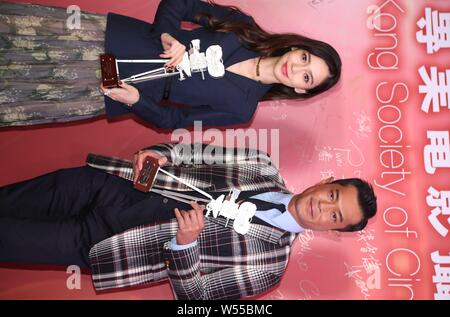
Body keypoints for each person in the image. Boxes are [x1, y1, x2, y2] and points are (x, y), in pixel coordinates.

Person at [0, 143, 377, 300]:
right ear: (327, 182)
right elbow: (192, 151)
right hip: (111, 185)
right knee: (9, 199)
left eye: (335, 215)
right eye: (332, 196)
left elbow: (194, 297)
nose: (323, 207)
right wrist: (161, 153)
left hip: (107, 244)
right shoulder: (262, 165)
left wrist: (187, 244)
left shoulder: (270, 267)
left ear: (335, 231)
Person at [0, 0, 341, 128]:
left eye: (307, 77)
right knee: (16, 33)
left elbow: (174, 119)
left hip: (117, 90)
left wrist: (136, 102)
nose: (297, 68)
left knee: (18, 92)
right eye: (305, 58)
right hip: (112, 38)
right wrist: (168, 36)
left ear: (300, 88)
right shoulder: (243, 29)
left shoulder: (242, 109)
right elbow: (180, 4)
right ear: (297, 48)